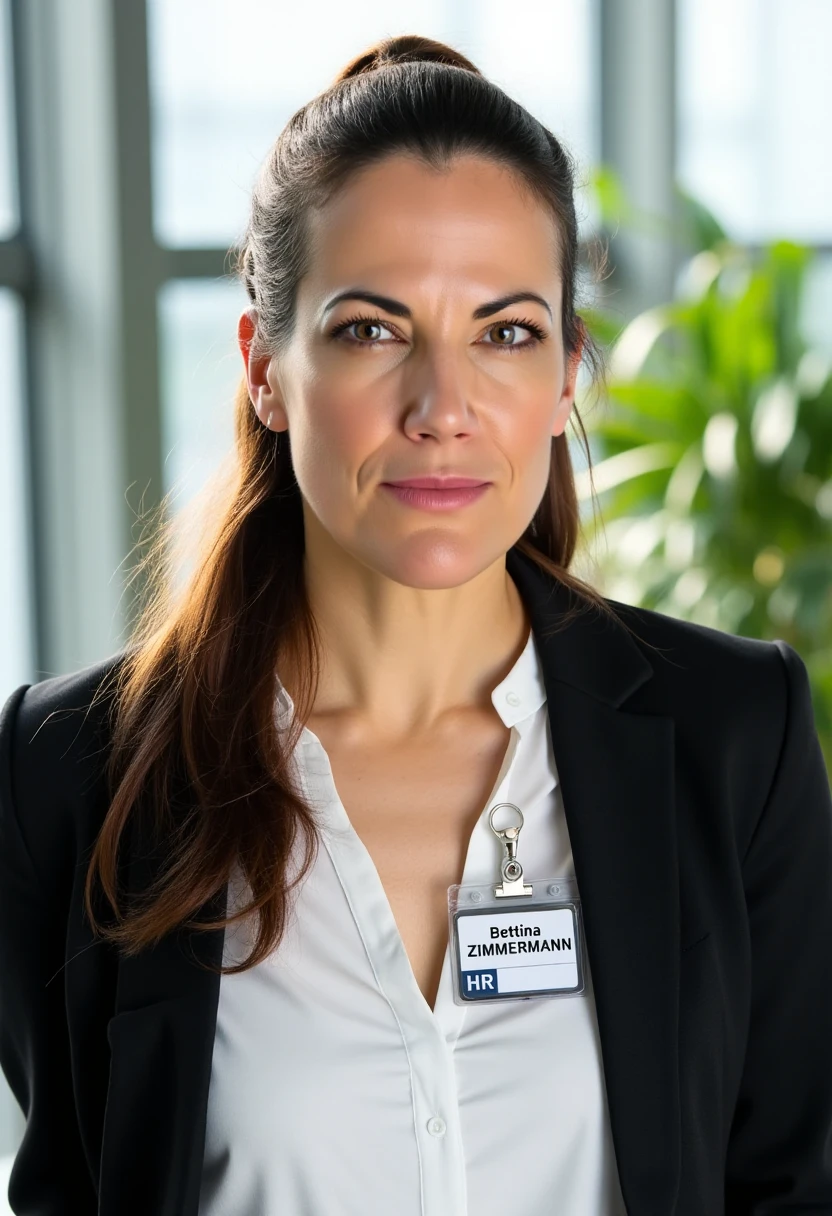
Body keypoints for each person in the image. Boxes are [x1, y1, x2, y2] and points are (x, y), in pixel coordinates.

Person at [1, 31, 831, 1216]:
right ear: (262, 369)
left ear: (563, 380)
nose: (443, 408)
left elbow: (790, 1184)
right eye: (370, 329)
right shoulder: (70, 771)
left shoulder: (732, 738)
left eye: (503, 333)